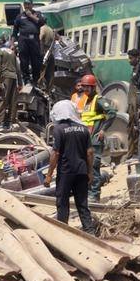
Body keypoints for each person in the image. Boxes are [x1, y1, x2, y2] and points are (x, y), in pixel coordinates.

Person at [44, 100, 95, 233]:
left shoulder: (58, 130)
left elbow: (55, 153)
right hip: (82, 171)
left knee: (62, 203)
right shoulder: (84, 129)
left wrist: (49, 175)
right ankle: (90, 232)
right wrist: (90, 172)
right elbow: (90, 152)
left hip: (65, 172)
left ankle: (63, 232)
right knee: (82, 204)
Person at [78, 74, 117, 203]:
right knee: (86, 167)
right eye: (84, 87)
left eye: (87, 87)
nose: (85, 89)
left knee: (93, 166)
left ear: (93, 87)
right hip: (86, 139)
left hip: (95, 139)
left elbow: (112, 113)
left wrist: (103, 130)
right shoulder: (86, 101)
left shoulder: (98, 100)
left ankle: (94, 194)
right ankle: (89, 193)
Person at [12, 0, 46, 85]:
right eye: (25, 4)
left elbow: (42, 22)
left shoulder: (37, 14)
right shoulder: (20, 16)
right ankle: (26, 78)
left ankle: (36, 79)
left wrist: (31, 16)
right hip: (23, 39)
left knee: (35, 60)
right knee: (24, 60)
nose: (27, 6)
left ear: (32, 5)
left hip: (34, 39)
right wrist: (12, 44)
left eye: (28, 4)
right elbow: (15, 31)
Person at [0, 41, 23, 128]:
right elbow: (18, 69)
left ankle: (0, 122)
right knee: (12, 100)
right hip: (14, 78)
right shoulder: (12, 53)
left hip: (5, 77)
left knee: (2, 99)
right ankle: (11, 122)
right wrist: (20, 83)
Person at [124, 49, 140, 161]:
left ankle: (136, 153)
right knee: (130, 128)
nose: (129, 60)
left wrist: (136, 106)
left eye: (131, 58)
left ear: (137, 58)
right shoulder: (134, 69)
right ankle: (130, 153)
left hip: (136, 104)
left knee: (135, 128)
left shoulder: (139, 70)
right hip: (131, 104)